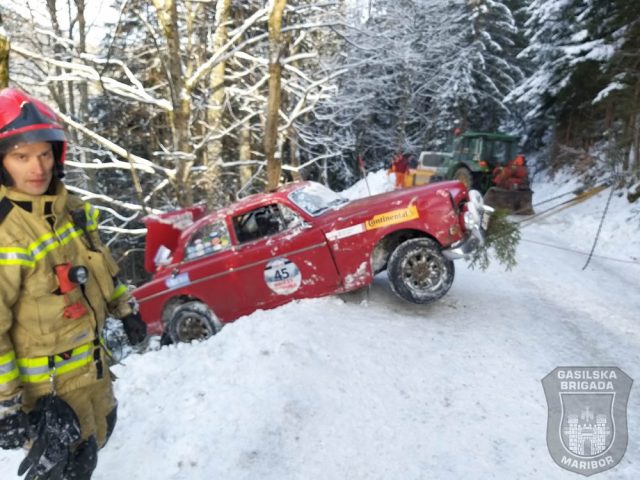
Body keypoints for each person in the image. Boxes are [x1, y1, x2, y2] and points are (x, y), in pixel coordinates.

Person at [0, 88, 147, 479]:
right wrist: (7, 406)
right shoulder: (5, 233)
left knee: (91, 453)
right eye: (21, 156)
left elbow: (101, 268)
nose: (37, 168)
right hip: (47, 397)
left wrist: (125, 310)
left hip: (92, 377)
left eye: (44, 154)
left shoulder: (73, 211)